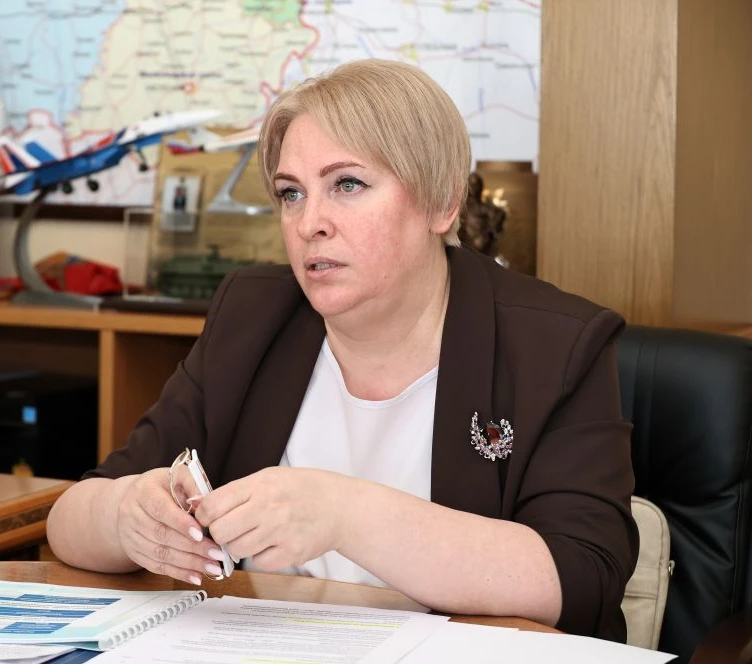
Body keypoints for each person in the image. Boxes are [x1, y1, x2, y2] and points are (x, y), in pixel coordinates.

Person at [47, 59, 638, 642]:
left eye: (347, 185)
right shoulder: (254, 316)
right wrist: (125, 516)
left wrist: (343, 514)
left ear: (442, 204)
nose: (310, 223)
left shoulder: (556, 342)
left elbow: (583, 576)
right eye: (291, 193)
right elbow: (69, 520)